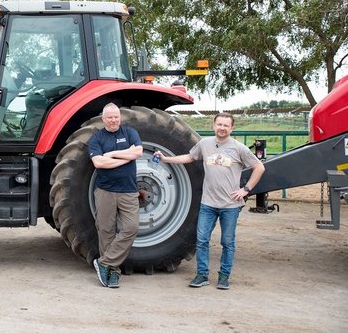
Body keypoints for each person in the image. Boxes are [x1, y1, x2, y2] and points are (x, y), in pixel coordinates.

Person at [154, 112, 265, 290]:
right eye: (219, 124)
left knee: (227, 242)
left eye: (226, 125)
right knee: (202, 240)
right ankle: (202, 274)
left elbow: (259, 167)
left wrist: (245, 189)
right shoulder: (205, 144)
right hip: (208, 204)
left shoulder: (238, 148)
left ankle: (224, 276)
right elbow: (189, 158)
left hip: (230, 206)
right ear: (214, 125)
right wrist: (166, 159)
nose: (222, 128)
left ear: (232, 128)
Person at [88, 103, 143, 288]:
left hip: (128, 191)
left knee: (131, 228)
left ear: (120, 117)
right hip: (105, 191)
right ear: (103, 119)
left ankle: (104, 262)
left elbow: (138, 151)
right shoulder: (96, 138)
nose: (113, 120)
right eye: (109, 117)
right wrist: (126, 157)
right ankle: (113, 273)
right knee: (106, 231)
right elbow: (98, 163)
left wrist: (112, 154)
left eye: (116, 117)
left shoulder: (129, 132)